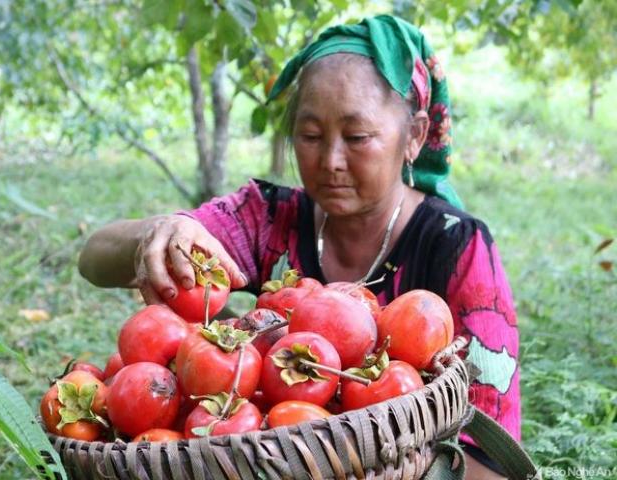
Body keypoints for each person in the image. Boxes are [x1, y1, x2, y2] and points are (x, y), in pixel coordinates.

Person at [79, 15, 519, 478]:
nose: (330, 161)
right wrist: (158, 232)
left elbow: (489, 454)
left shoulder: (457, 247)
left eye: (357, 137)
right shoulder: (267, 217)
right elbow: (94, 259)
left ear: (413, 136)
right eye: (310, 136)